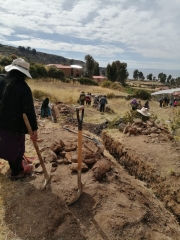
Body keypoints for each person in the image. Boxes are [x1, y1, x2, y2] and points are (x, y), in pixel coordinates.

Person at [0, 58, 38, 180]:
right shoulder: (24, 88)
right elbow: (29, 111)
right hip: (14, 125)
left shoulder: (1, 79)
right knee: (16, 148)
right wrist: (33, 130)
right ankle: (16, 173)